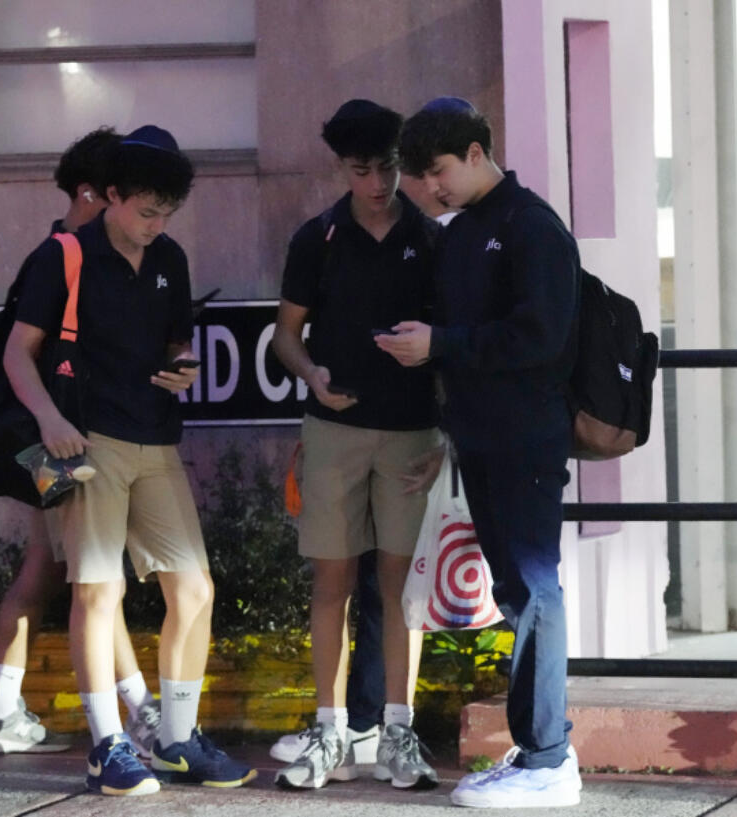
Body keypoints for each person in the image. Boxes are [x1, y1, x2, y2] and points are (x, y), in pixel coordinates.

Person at [4, 124, 255, 796]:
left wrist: (181, 367)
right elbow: (15, 354)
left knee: (195, 588)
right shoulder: (65, 255)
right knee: (97, 589)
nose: (156, 224)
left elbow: (176, 340)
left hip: (156, 437)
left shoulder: (170, 256)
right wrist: (50, 419)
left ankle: (174, 740)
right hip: (87, 442)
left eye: (167, 212)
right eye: (146, 210)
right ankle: (106, 746)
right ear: (110, 196)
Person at [381, 96, 583, 809]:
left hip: (526, 433)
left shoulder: (532, 227)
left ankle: (550, 758)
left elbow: (541, 336)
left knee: (532, 589)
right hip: (483, 435)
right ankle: (538, 752)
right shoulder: (467, 231)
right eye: (422, 177)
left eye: (438, 171)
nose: (431, 188)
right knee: (518, 590)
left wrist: (440, 344)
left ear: (475, 152)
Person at [0, 127, 160, 758]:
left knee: (64, 569)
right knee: (87, 573)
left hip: (62, 443)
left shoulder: (68, 252)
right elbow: (29, 357)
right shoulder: (62, 256)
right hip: (58, 442)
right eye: (116, 193)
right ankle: (141, 713)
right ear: (91, 193)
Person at [270, 99, 442, 791]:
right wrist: (311, 373)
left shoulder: (432, 239)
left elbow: (454, 343)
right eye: (363, 169)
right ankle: (331, 728)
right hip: (333, 429)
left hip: (411, 434)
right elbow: (285, 334)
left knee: (400, 590)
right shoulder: (318, 237)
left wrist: (447, 433)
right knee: (332, 582)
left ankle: (398, 729)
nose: (378, 182)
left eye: (389, 167)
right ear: (340, 166)